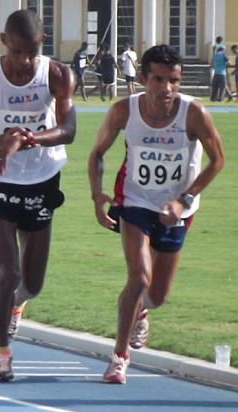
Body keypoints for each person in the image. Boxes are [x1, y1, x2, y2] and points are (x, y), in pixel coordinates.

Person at [88, 44, 224, 384]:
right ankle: (119, 356)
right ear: (144, 78)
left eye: (174, 81)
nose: (167, 89)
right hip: (135, 203)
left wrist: (184, 198)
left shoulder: (194, 113)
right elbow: (97, 154)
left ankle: (143, 309)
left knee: (158, 294)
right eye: (159, 80)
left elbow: (217, 160)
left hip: (177, 209)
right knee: (140, 276)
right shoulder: (124, 110)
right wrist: (96, 195)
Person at [0, 9, 76, 382]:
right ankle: (0, 351)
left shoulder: (57, 74)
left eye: (33, 52)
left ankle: (14, 307)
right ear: (3, 40)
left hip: (42, 179)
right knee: (8, 271)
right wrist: (1, 143)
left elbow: (69, 129)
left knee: (33, 283)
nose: (26, 61)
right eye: (19, 52)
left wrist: (25, 140)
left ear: (41, 44)